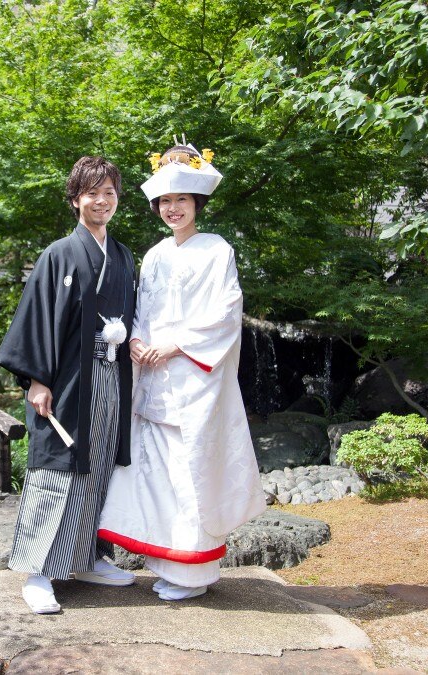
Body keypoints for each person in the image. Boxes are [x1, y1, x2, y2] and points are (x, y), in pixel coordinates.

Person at [98, 141, 266, 601]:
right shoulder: (153, 255)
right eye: (166, 201)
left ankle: (195, 576)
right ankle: (166, 564)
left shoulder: (216, 250)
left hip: (193, 377)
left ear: (197, 204)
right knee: (157, 472)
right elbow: (142, 310)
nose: (173, 209)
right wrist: (135, 338)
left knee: (191, 470)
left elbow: (226, 312)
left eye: (182, 201)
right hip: (152, 374)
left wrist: (175, 345)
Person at [0, 156, 138, 614]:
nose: (102, 200)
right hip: (69, 379)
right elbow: (36, 320)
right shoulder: (59, 254)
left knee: (99, 468)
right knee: (59, 466)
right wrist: (37, 381)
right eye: (93, 192)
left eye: (110, 192)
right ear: (76, 199)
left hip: (111, 375)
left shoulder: (122, 256)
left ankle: (90, 558)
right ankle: (39, 572)